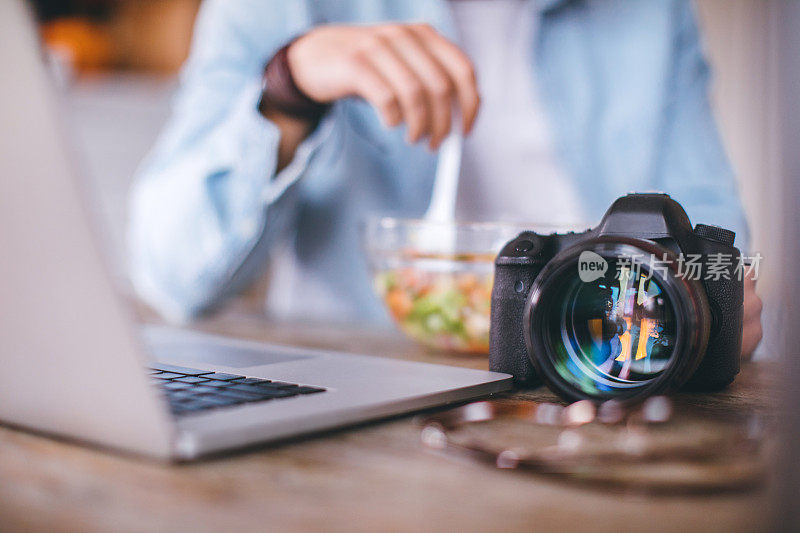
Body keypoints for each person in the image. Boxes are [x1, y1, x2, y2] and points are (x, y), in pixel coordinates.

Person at [129, 0, 762, 357]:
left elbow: (720, 251)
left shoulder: (654, 14)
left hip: (599, 367)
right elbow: (171, 273)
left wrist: (715, 307)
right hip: (363, 375)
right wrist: (287, 88)